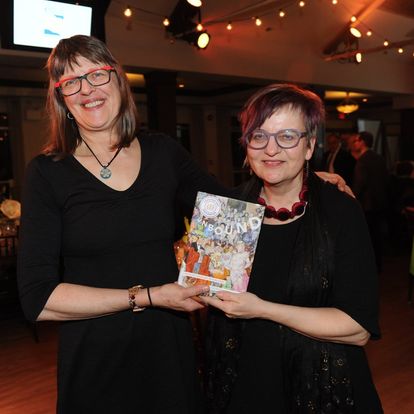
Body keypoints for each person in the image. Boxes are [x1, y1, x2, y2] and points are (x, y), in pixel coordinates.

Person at [16, 34, 224, 414]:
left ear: (118, 79)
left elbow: (227, 212)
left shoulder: (163, 152)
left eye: (96, 74)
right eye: (71, 82)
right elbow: (38, 300)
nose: (87, 89)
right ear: (62, 99)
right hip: (96, 362)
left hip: (168, 353)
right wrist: (148, 296)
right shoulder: (47, 173)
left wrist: (297, 182)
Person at [202, 84, 382, 413]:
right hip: (243, 387)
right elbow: (212, 297)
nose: (271, 149)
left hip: (323, 389)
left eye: (287, 136)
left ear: (309, 146)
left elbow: (358, 329)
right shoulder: (227, 211)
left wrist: (262, 308)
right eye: (259, 136)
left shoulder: (340, 211)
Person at [351, 131, 389, 272]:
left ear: (362, 142)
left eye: (356, 141)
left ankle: (368, 267)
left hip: (366, 205)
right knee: (377, 236)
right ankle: (377, 265)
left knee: (367, 237)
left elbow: (359, 184)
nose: (354, 144)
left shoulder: (363, 160)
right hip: (380, 203)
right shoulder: (379, 158)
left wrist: (351, 199)